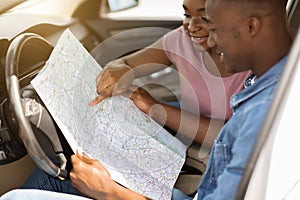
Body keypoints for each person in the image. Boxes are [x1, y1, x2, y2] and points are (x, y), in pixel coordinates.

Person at [1, 0, 292, 199]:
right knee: (52, 180)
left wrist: (110, 192)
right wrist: (122, 74)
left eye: (212, 25)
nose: (208, 40)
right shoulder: (261, 85)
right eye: (187, 15)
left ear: (252, 27)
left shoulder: (264, 112)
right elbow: (128, 63)